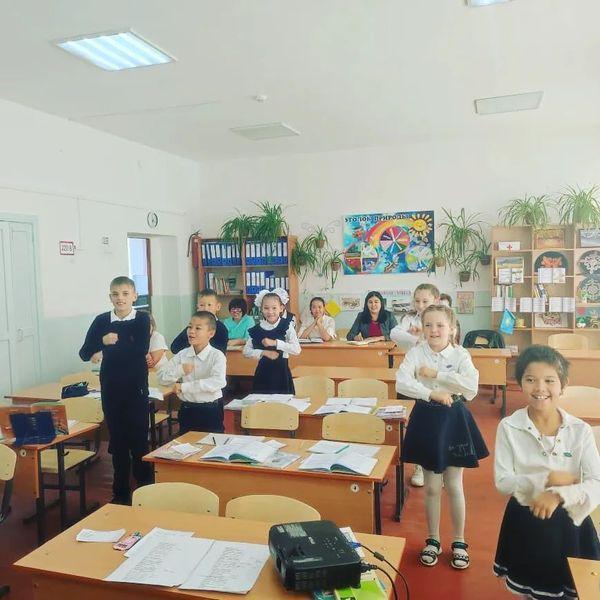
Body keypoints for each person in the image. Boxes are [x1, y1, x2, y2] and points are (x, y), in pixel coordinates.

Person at [493, 345, 600, 599]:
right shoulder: (509, 427)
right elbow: (503, 482)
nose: (540, 388)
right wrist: (546, 479)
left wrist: (558, 494)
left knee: (572, 589)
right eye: (530, 379)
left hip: (570, 524)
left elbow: (596, 482)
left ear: (563, 385)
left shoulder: (580, 430)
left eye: (549, 380)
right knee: (529, 589)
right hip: (526, 519)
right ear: (520, 383)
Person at [396, 304, 488, 570]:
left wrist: (437, 375)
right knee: (432, 487)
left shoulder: (460, 354)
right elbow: (402, 382)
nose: (434, 330)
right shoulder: (416, 352)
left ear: (452, 329)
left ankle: (459, 541)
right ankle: (433, 539)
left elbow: (470, 387)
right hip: (426, 417)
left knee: (454, 484)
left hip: (453, 418)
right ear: (422, 328)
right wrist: (432, 393)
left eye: (440, 325)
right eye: (428, 325)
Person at [79, 276, 153, 504]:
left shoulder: (142, 319)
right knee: (118, 442)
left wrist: (106, 348)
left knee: (139, 439)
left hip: (136, 388)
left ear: (134, 296)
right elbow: (84, 353)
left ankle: (145, 488)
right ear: (110, 297)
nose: (120, 298)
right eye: (115, 294)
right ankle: (120, 492)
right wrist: (103, 340)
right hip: (111, 389)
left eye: (125, 294)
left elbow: (139, 349)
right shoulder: (102, 320)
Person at [391, 283, 440, 487]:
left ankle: (439, 467)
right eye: (417, 301)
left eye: (425, 301)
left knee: (437, 426)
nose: (420, 305)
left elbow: (444, 341)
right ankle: (420, 467)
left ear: (436, 300)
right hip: (414, 380)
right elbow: (394, 334)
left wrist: (423, 336)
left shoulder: (444, 319)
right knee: (417, 424)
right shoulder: (409, 319)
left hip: (437, 380)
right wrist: (415, 338)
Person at [155, 311, 227, 434]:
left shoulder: (217, 355)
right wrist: (180, 370)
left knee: (210, 443)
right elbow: (161, 376)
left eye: (198, 328)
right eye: (189, 327)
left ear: (211, 333)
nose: (191, 331)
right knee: (185, 442)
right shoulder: (182, 354)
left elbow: (218, 382)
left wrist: (184, 387)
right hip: (187, 408)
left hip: (210, 409)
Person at [243, 289, 301, 393]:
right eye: (266, 308)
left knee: (282, 402)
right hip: (262, 374)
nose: (270, 312)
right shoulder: (256, 329)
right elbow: (246, 351)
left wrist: (276, 343)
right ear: (261, 309)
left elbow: (297, 350)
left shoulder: (286, 326)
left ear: (281, 308)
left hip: (282, 374)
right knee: (261, 401)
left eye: (274, 308)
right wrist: (264, 352)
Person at [170, 289, 228, 355]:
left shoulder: (221, 329)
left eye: (209, 305)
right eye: (201, 305)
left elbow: (220, 353)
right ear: (197, 307)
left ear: (218, 307)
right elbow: (174, 348)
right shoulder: (192, 326)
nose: (205, 309)